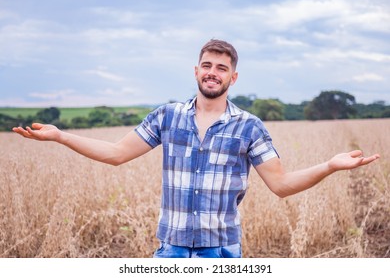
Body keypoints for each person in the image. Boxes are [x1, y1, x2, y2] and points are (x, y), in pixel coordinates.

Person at [13, 39, 380, 258]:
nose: (212, 72)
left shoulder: (248, 126)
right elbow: (115, 153)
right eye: (207, 65)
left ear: (232, 78)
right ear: (195, 71)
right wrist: (61, 137)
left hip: (220, 252)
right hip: (170, 249)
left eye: (221, 68)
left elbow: (281, 185)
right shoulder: (167, 117)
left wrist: (330, 166)